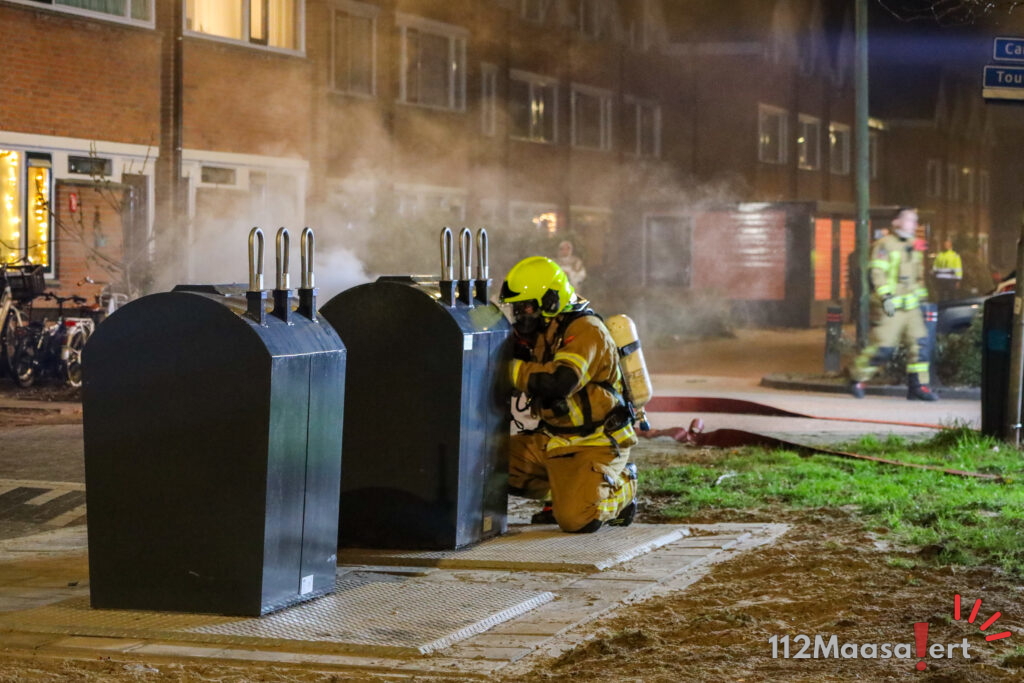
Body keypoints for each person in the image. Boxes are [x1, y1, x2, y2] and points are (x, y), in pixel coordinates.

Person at [500, 256, 638, 533]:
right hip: (555, 439)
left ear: (551, 301)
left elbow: (557, 382)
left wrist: (508, 370)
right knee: (482, 465)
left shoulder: (586, 331)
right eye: (516, 308)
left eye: (527, 307)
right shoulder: (546, 328)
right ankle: (564, 490)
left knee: (576, 520)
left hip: (595, 442)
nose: (521, 315)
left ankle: (622, 489)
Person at [849, 207, 938, 401]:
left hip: (912, 307)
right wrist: (886, 298)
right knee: (884, 348)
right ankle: (857, 377)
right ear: (896, 222)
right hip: (891, 307)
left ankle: (919, 387)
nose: (913, 224)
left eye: (915, 220)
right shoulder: (884, 245)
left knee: (920, 346)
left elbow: (918, 277)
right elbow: (877, 275)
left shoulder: (915, 245)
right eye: (909, 220)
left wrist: (922, 299)